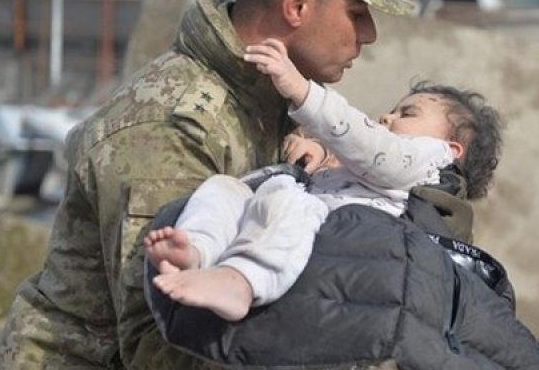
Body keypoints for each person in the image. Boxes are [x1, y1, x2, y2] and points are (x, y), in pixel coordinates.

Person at [0, 0, 415, 368]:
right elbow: (163, 343)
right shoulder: (172, 128)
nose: (370, 34)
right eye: (357, 12)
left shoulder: (266, 103)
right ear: (297, 5)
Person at [144, 37, 502, 322]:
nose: (386, 117)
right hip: (296, 221)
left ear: (451, 149)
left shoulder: (428, 161)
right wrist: (319, 154)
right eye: (392, 109)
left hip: (339, 244)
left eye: (407, 113)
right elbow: (364, 163)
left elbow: (374, 151)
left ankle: (242, 283)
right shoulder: (385, 165)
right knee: (225, 188)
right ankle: (196, 250)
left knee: (290, 202)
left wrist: (303, 91)